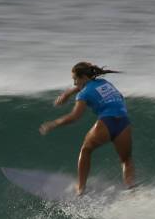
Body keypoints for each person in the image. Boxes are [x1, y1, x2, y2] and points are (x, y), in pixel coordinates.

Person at [39, 62, 135, 195]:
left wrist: (53, 124)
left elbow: (75, 116)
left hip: (107, 121)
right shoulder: (104, 83)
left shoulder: (83, 94)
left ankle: (80, 189)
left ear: (83, 77)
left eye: (75, 79)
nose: (74, 83)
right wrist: (68, 94)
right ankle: (131, 190)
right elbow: (112, 94)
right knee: (126, 160)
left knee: (86, 150)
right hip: (123, 122)